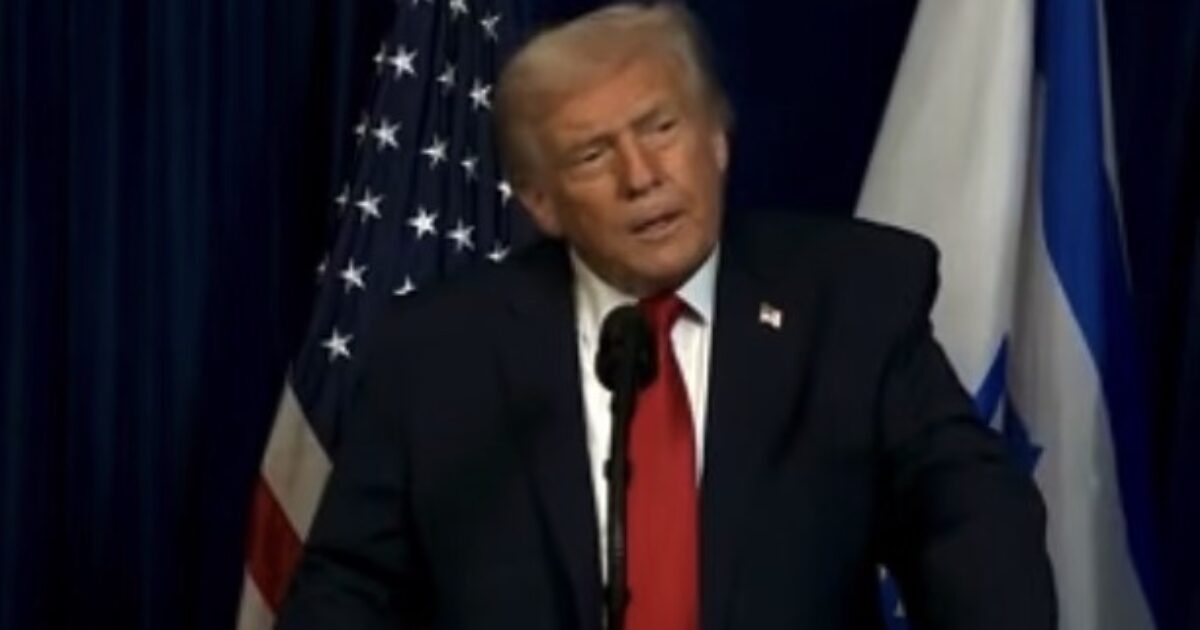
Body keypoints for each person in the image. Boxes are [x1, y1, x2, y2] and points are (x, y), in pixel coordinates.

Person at [275, 3, 1056, 629]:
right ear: (540, 203)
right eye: (591, 155)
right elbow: (351, 587)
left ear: (716, 139)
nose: (641, 177)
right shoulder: (441, 353)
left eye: (661, 128)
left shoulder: (849, 300)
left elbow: (968, 522)